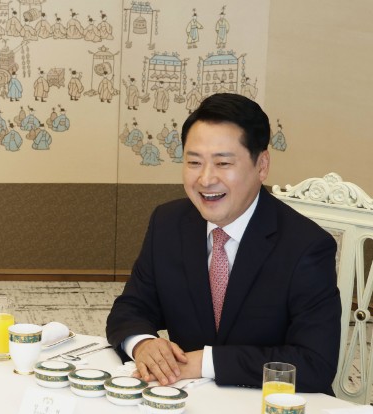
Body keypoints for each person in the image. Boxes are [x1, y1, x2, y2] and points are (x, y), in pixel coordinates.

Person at [106, 93, 340, 393]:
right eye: (194, 162)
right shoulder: (168, 223)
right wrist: (143, 344)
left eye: (223, 163)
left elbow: (314, 364)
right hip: (185, 401)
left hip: (266, 406)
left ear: (262, 165)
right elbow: (131, 308)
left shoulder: (306, 246)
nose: (206, 179)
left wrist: (206, 362)